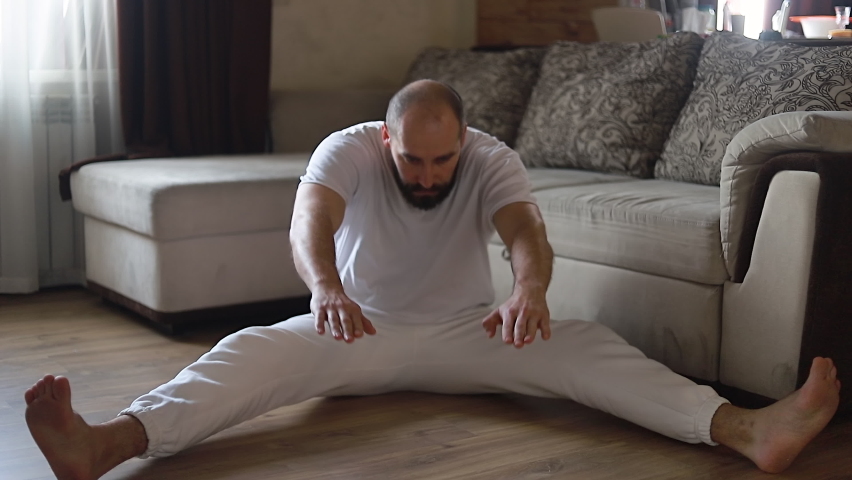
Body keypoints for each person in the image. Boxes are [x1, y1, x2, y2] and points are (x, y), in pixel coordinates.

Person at [25, 80, 840, 480]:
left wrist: (529, 291)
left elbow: (526, 234)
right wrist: (324, 289)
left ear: (464, 140)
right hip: (356, 330)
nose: (425, 174)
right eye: (410, 158)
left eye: (440, 158)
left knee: (589, 347)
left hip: (469, 336)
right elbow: (310, 222)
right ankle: (107, 443)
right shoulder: (347, 148)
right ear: (386, 138)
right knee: (245, 351)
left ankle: (747, 430)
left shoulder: (491, 159)